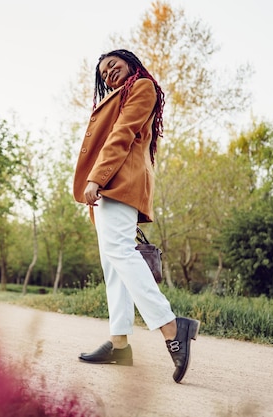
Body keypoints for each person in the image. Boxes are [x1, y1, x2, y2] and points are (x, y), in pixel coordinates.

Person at [73, 49, 200, 383]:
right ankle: (119, 344)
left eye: (113, 65)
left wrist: (95, 178)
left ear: (130, 64)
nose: (108, 73)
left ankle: (172, 327)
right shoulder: (120, 94)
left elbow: (122, 134)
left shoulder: (142, 86)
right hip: (108, 188)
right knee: (113, 264)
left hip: (119, 182)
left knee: (120, 255)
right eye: (103, 72)